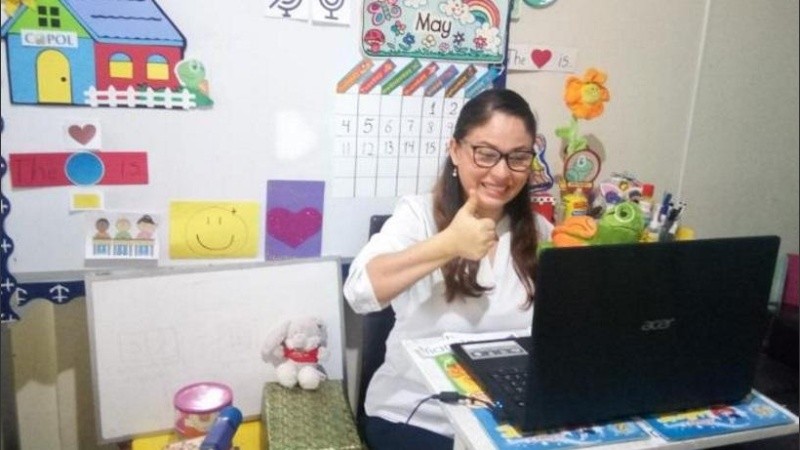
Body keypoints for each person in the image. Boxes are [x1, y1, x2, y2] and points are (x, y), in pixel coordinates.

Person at [344, 88, 553, 449]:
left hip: (505, 420)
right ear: (455, 150)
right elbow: (360, 291)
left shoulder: (540, 231)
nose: (502, 172)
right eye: (486, 154)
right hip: (418, 416)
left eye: (518, 157)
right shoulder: (418, 216)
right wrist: (448, 244)